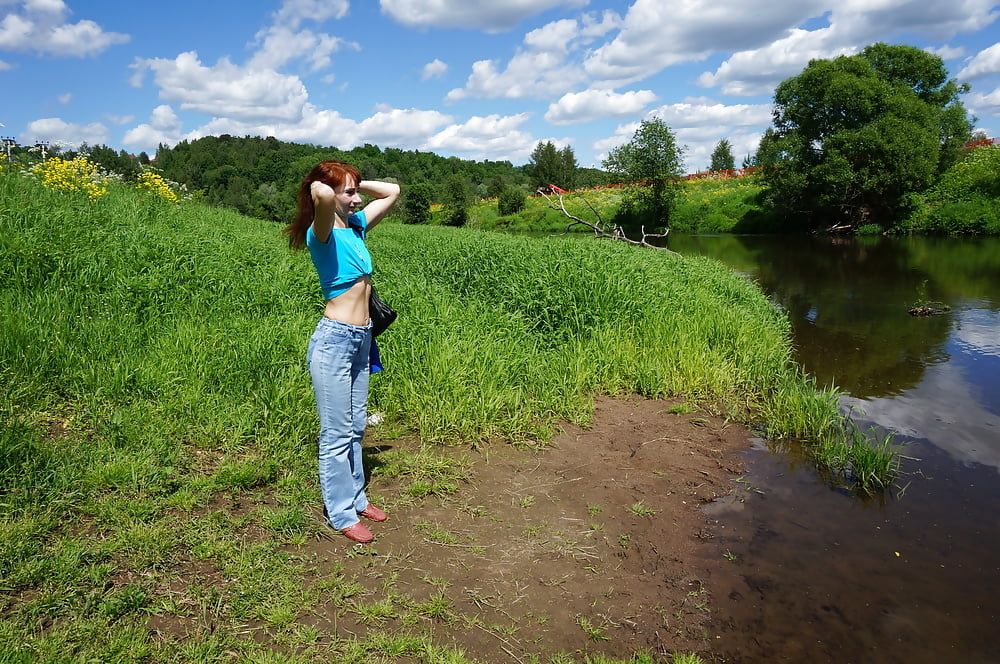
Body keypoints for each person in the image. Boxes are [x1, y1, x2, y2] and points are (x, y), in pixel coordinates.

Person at [286, 161, 400, 543]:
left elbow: (393, 191)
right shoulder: (320, 234)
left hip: (362, 338)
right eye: (348, 193)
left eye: (356, 193)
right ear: (329, 193)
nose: (355, 199)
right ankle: (340, 514)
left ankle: (357, 497)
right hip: (334, 341)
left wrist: (353, 183)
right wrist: (327, 185)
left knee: (355, 428)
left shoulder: (355, 226)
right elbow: (319, 196)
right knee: (335, 434)